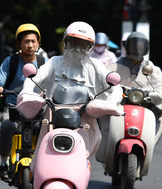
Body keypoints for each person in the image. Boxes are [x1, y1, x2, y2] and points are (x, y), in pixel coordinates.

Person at [17, 21, 123, 171]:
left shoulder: (96, 65)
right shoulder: (54, 62)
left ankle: (81, 185)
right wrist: (27, 92)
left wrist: (110, 103)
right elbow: (34, 78)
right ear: (66, 42)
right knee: (45, 152)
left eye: (83, 44)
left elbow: (116, 88)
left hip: (84, 116)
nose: (77, 48)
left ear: (91, 46)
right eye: (73, 42)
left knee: (82, 155)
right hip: (53, 113)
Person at [96, 31, 162, 163]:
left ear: (146, 48)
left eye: (141, 46)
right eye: (134, 46)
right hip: (119, 107)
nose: (138, 49)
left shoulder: (153, 69)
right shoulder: (114, 66)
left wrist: (152, 94)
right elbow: (103, 86)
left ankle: (149, 146)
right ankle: (105, 152)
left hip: (145, 107)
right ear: (128, 47)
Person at [0, 23, 47, 180]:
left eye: (33, 41)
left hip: (38, 107)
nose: (30, 45)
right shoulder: (11, 61)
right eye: (26, 41)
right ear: (19, 44)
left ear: (38, 43)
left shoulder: (44, 62)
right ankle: (4, 163)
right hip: (14, 106)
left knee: (48, 128)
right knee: (7, 125)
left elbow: (54, 81)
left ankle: (45, 162)